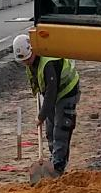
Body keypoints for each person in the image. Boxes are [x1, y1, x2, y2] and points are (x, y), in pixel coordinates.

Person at [13, 32, 81, 176]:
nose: (26, 62)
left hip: (67, 90)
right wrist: (44, 114)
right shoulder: (31, 63)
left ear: (33, 50)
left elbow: (51, 92)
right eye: (23, 61)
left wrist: (41, 116)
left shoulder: (48, 62)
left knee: (60, 129)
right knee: (50, 130)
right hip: (53, 93)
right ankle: (53, 160)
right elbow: (39, 86)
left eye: (27, 59)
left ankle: (58, 167)